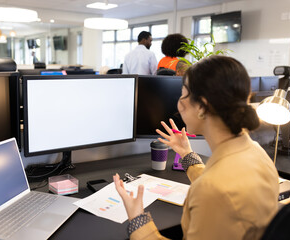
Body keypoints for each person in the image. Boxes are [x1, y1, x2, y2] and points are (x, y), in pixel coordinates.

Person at [114, 55, 279, 240]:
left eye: (183, 93)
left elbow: (216, 189)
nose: (179, 103)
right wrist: (186, 154)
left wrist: (137, 219)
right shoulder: (256, 153)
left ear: (202, 107)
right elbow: (221, 183)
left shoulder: (211, 190)